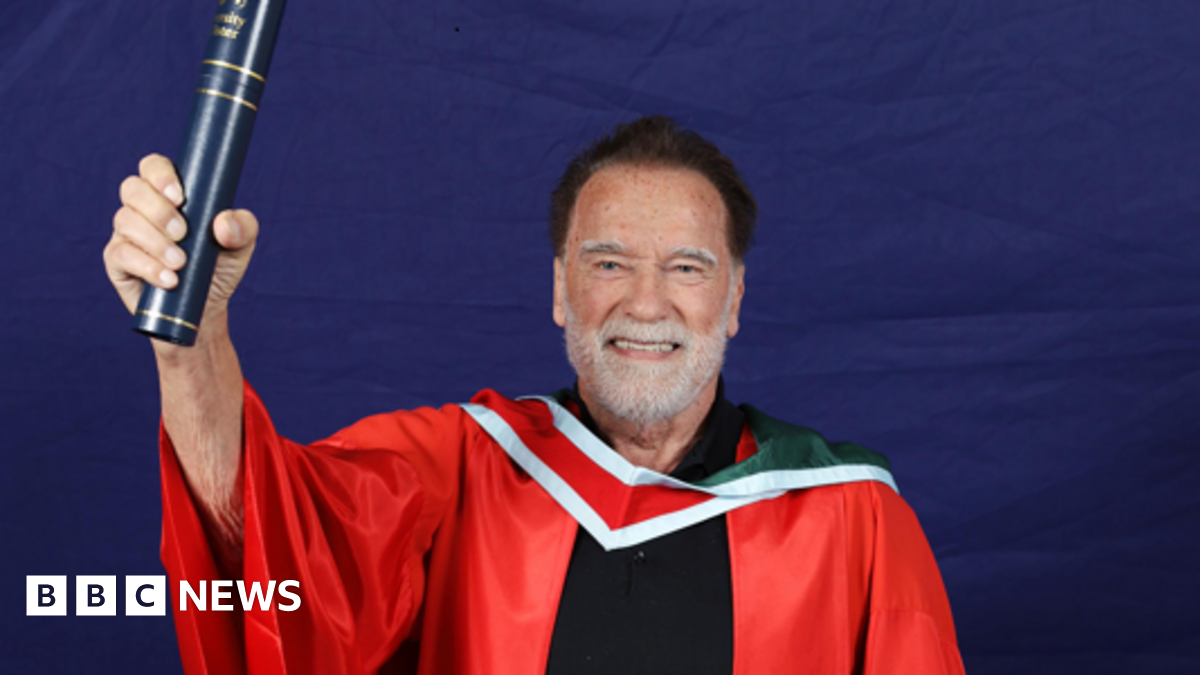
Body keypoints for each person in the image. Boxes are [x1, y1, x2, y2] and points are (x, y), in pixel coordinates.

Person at [104, 116, 966, 674]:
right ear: (560, 288)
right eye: (608, 263)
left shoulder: (854, 516)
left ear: (734, 300)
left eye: (687, 269)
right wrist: (193, 342)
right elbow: (267, 557)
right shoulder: (463, 467)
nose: (646, 302)